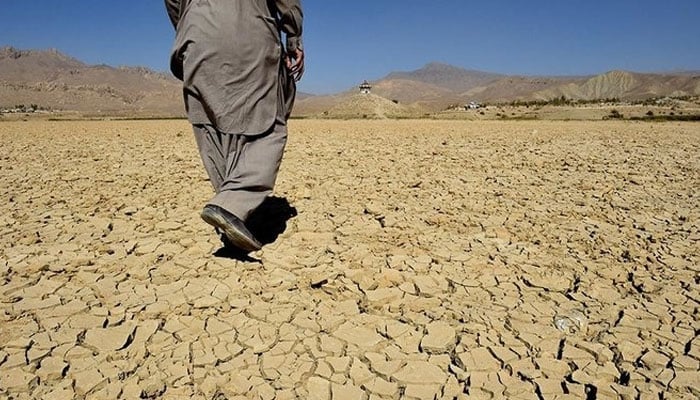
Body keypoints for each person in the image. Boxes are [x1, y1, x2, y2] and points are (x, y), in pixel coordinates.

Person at [165, 0, 304, 252]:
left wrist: (189, 23)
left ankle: (232, 212)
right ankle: (233, 205)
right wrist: (293, 35)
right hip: (249, 33)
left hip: (194, 36)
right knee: (271, 126)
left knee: (211, 124)